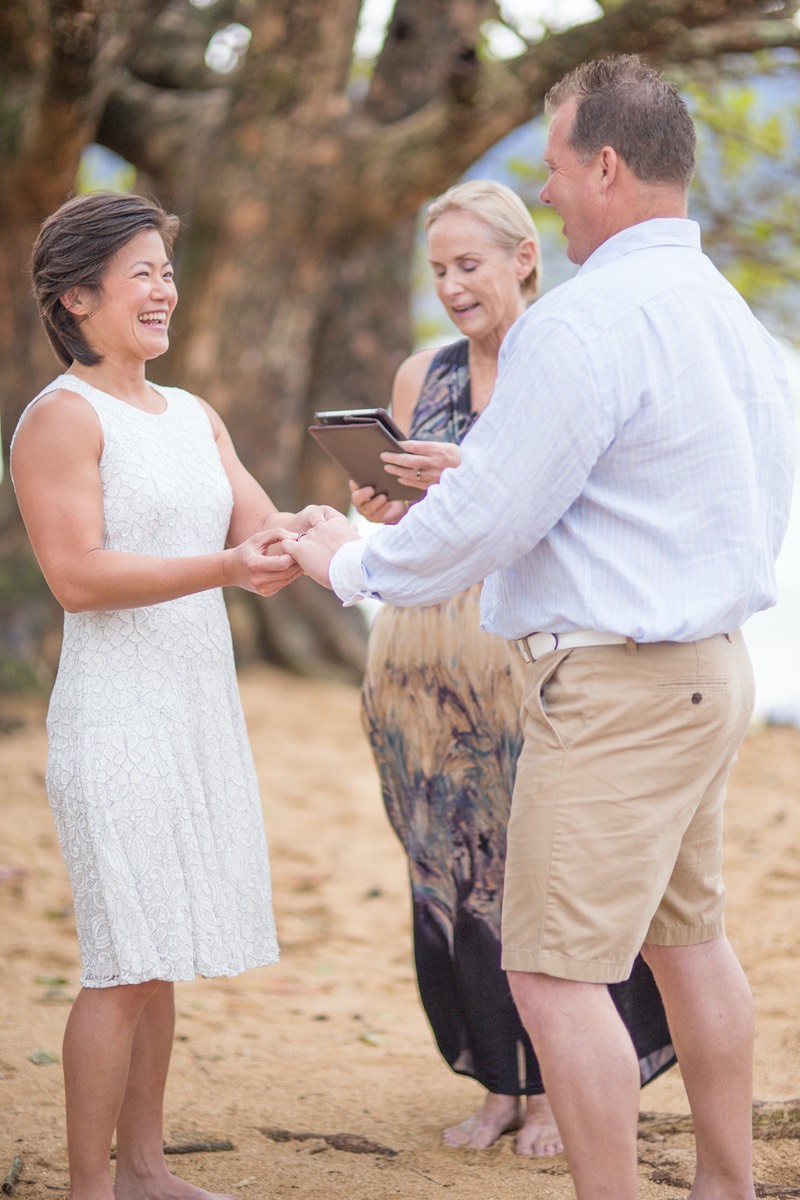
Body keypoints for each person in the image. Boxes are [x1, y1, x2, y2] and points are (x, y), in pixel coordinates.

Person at [284, 55, 795, 1200]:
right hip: (712, 674)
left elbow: (473, 531)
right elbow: (678, 495)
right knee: (687, 940)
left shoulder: (581, 323)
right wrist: (488, 476)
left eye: (556, 168)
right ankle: (726, 1187)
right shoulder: (727, 315)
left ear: (603, 165)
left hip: (612, 692)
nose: (550, 191)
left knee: (553, 978)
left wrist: (348, 560)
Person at [10, 191, 329, 1200]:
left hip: (195, 709)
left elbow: (262, 530)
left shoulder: (194, 415)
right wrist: (229, 567)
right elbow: (79, 577)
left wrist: (321, 529)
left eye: (165, 271)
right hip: (115, 716)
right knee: (121, 957)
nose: (162, 291)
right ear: (76, 298)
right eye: (139, 273)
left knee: (163, 951)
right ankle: (88, 1188)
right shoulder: (59, 421)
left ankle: (146, 1168)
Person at [352, 179, 674, 1155]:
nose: (451, 285)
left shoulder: (561, 358)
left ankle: (554, 1092)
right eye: (438, 269)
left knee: (538, 879)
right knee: (447, 881)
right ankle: (495, 1082)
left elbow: (573, 506)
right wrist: (386, 514)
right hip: (415, 667)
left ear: (521, 258)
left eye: (468, 264)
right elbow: (428, 523)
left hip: (524, 660)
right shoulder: (423, 375)